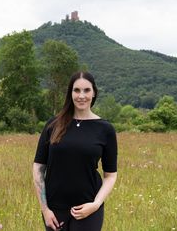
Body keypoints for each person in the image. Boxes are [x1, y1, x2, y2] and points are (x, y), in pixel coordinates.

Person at [33, 71, 118, 231]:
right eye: (76, 90)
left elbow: (110, 175)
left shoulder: (105, 129)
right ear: (70, 93)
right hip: (54, 209)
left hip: (88, 207)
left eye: (87, 90)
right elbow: (38, 168)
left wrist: (95, 204)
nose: (81, 96)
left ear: (94, 93)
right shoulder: (53, 125)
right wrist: (45, 210)